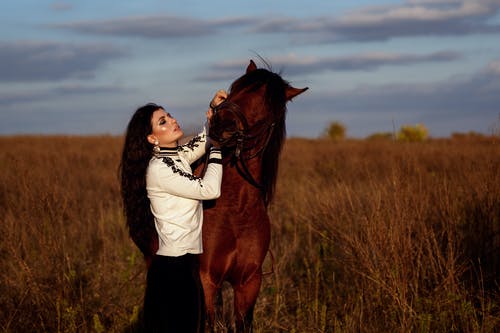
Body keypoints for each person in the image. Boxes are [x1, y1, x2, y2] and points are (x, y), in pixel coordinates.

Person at [119, 90, 227, 332]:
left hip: (186, 265)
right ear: (151, 138)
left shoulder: (175, 157)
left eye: (169, 116)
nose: (173, 120)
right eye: (162, 122)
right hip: (172, 271)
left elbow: (203, 141)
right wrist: (217, 150)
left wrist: (215, 110)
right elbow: (209, 189)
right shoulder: (159, 169)